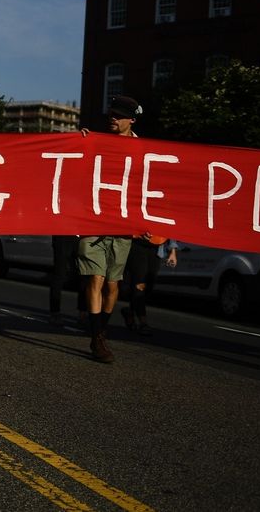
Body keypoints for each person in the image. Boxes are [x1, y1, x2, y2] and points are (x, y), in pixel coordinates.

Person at [76, 94, 142, 363]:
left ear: (132, 120)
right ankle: (97, 338)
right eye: (111, 115)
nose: (112, 119)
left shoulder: (143, 149)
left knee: (113, 286)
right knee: (95, 278)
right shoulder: (95, 142)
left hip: (122, 227)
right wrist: (77, 143)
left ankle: (100, 328)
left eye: (118, 115)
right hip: (94, 222)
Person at [120, 236, 177, 336]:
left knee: (149, 285)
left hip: (157, 248)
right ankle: (143, 322)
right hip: (138, 245)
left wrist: (173, 251)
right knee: (140, 284)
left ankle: (130, 311)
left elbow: (169, 227)